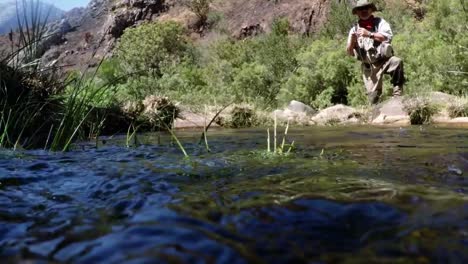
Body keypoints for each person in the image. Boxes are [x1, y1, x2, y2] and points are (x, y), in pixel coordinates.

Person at [346, 0, 405, 104]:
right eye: (360, 9)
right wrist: (352, 41)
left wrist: (369, 34)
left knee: (397, 62)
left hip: (384, 61)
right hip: (369, 68)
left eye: (366, 8)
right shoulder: (354, 30)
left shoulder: (380, 23)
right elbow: (349, 52)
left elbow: (387, 37)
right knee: (373, 100)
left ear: (371, 10)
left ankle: (397, 93)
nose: (364, 11)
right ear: (357, 13)